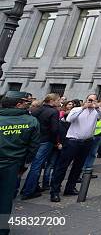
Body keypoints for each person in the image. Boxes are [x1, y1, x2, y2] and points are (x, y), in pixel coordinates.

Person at [50, 93, 101, 202]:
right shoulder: (77, 109)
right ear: (85, 100)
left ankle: (70, 187)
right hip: (72, 141)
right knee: (63, 166)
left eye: (93, 100)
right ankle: (55, 191)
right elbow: (69, 119)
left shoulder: (96, 112)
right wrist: (83, 107)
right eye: (89, 100)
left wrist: (97, 107)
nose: (91, 102)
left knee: (78, 167)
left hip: (86, 142)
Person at [0, 93, 39, 235]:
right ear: (18, 104)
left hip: (12, 163)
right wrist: (24, 166)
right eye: (25, 103)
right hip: (12, 165)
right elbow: (33, 147)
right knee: (5, 199)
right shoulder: (31, 121)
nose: (27, 105)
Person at [20, 93, 60, 200]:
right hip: (46, 141)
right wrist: (56, 141)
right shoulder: (53, 112)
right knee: (36, 166)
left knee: (28, 164)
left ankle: (25, 188)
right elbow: (55, 129)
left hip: (34, 140)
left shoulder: (36, 110)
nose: (59, 102)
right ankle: (28, 191)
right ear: (52, 101)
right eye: (58, 100)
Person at [82, 97, 101, 176]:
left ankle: (88, 170)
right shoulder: (89, 111)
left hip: (99, 134)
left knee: (93, 153)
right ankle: (83, 169)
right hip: (91, 134)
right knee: (85, 153)